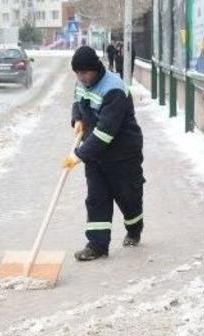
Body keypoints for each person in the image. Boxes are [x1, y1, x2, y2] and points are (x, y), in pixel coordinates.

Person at [62, 46, 145, 261]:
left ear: (96, 69)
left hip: (123, 153)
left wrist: (78, 155)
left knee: (128, 197)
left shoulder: (114, 89)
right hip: (96, 154)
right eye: (78, 74)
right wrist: (78, 118)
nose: (81, 78)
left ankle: (134, 229)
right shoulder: (82, 81)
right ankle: (97, 245)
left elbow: (106, 133)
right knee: (97, 198)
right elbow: (77, 100)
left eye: (85, 73)